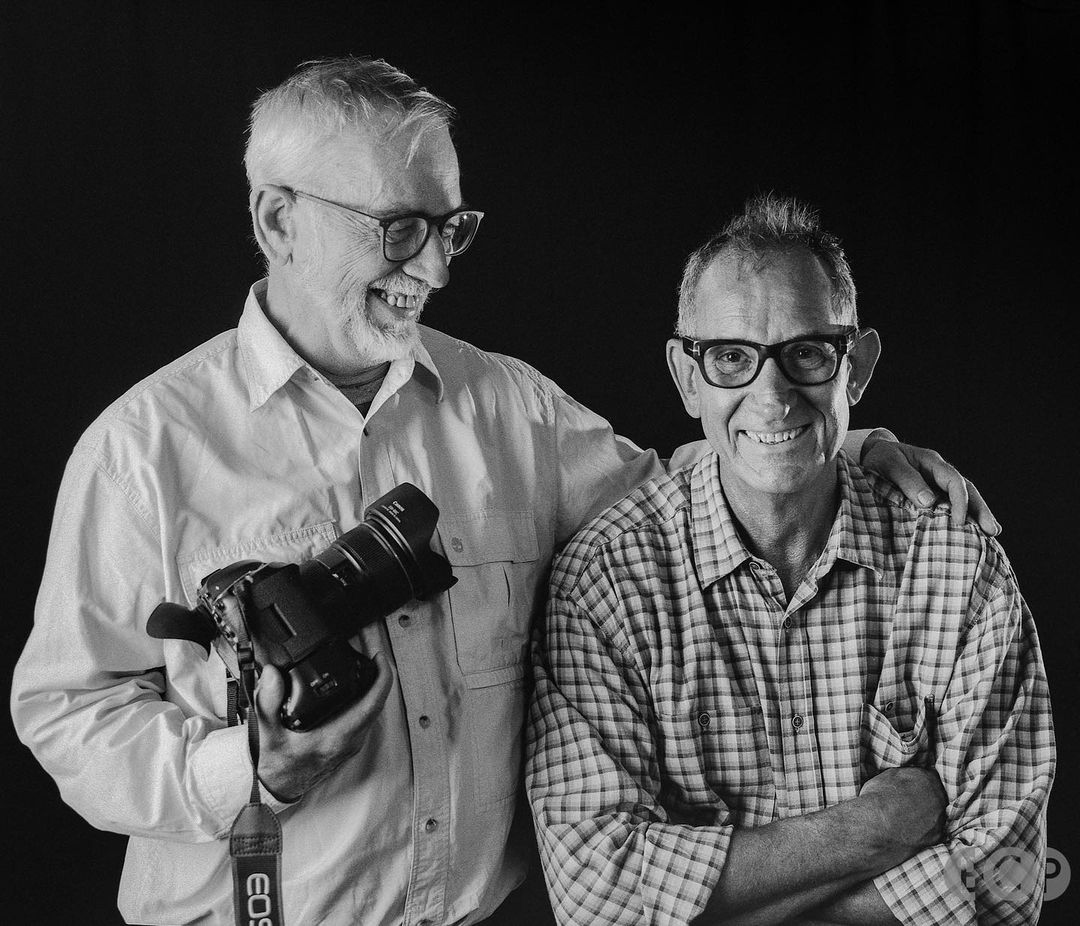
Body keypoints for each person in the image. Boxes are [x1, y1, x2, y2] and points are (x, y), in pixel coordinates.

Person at [11, 59, 994, 926]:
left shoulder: (510, 409)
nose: (435, 267)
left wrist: (829, 439)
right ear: (279, 220)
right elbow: (65, 709)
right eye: (401, 229)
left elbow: (675, 499)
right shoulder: (144, 450)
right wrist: (243, 770)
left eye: (452, 228)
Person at [526, 194, 1054, 925]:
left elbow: (1009, 881)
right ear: (687, 377)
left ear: (856, 368)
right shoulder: (607, 582)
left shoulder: (959, 568)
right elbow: (598, 898)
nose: (772, 395)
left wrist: (713, 902)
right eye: (732, 358)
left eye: (807, 352)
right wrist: (872, 833)